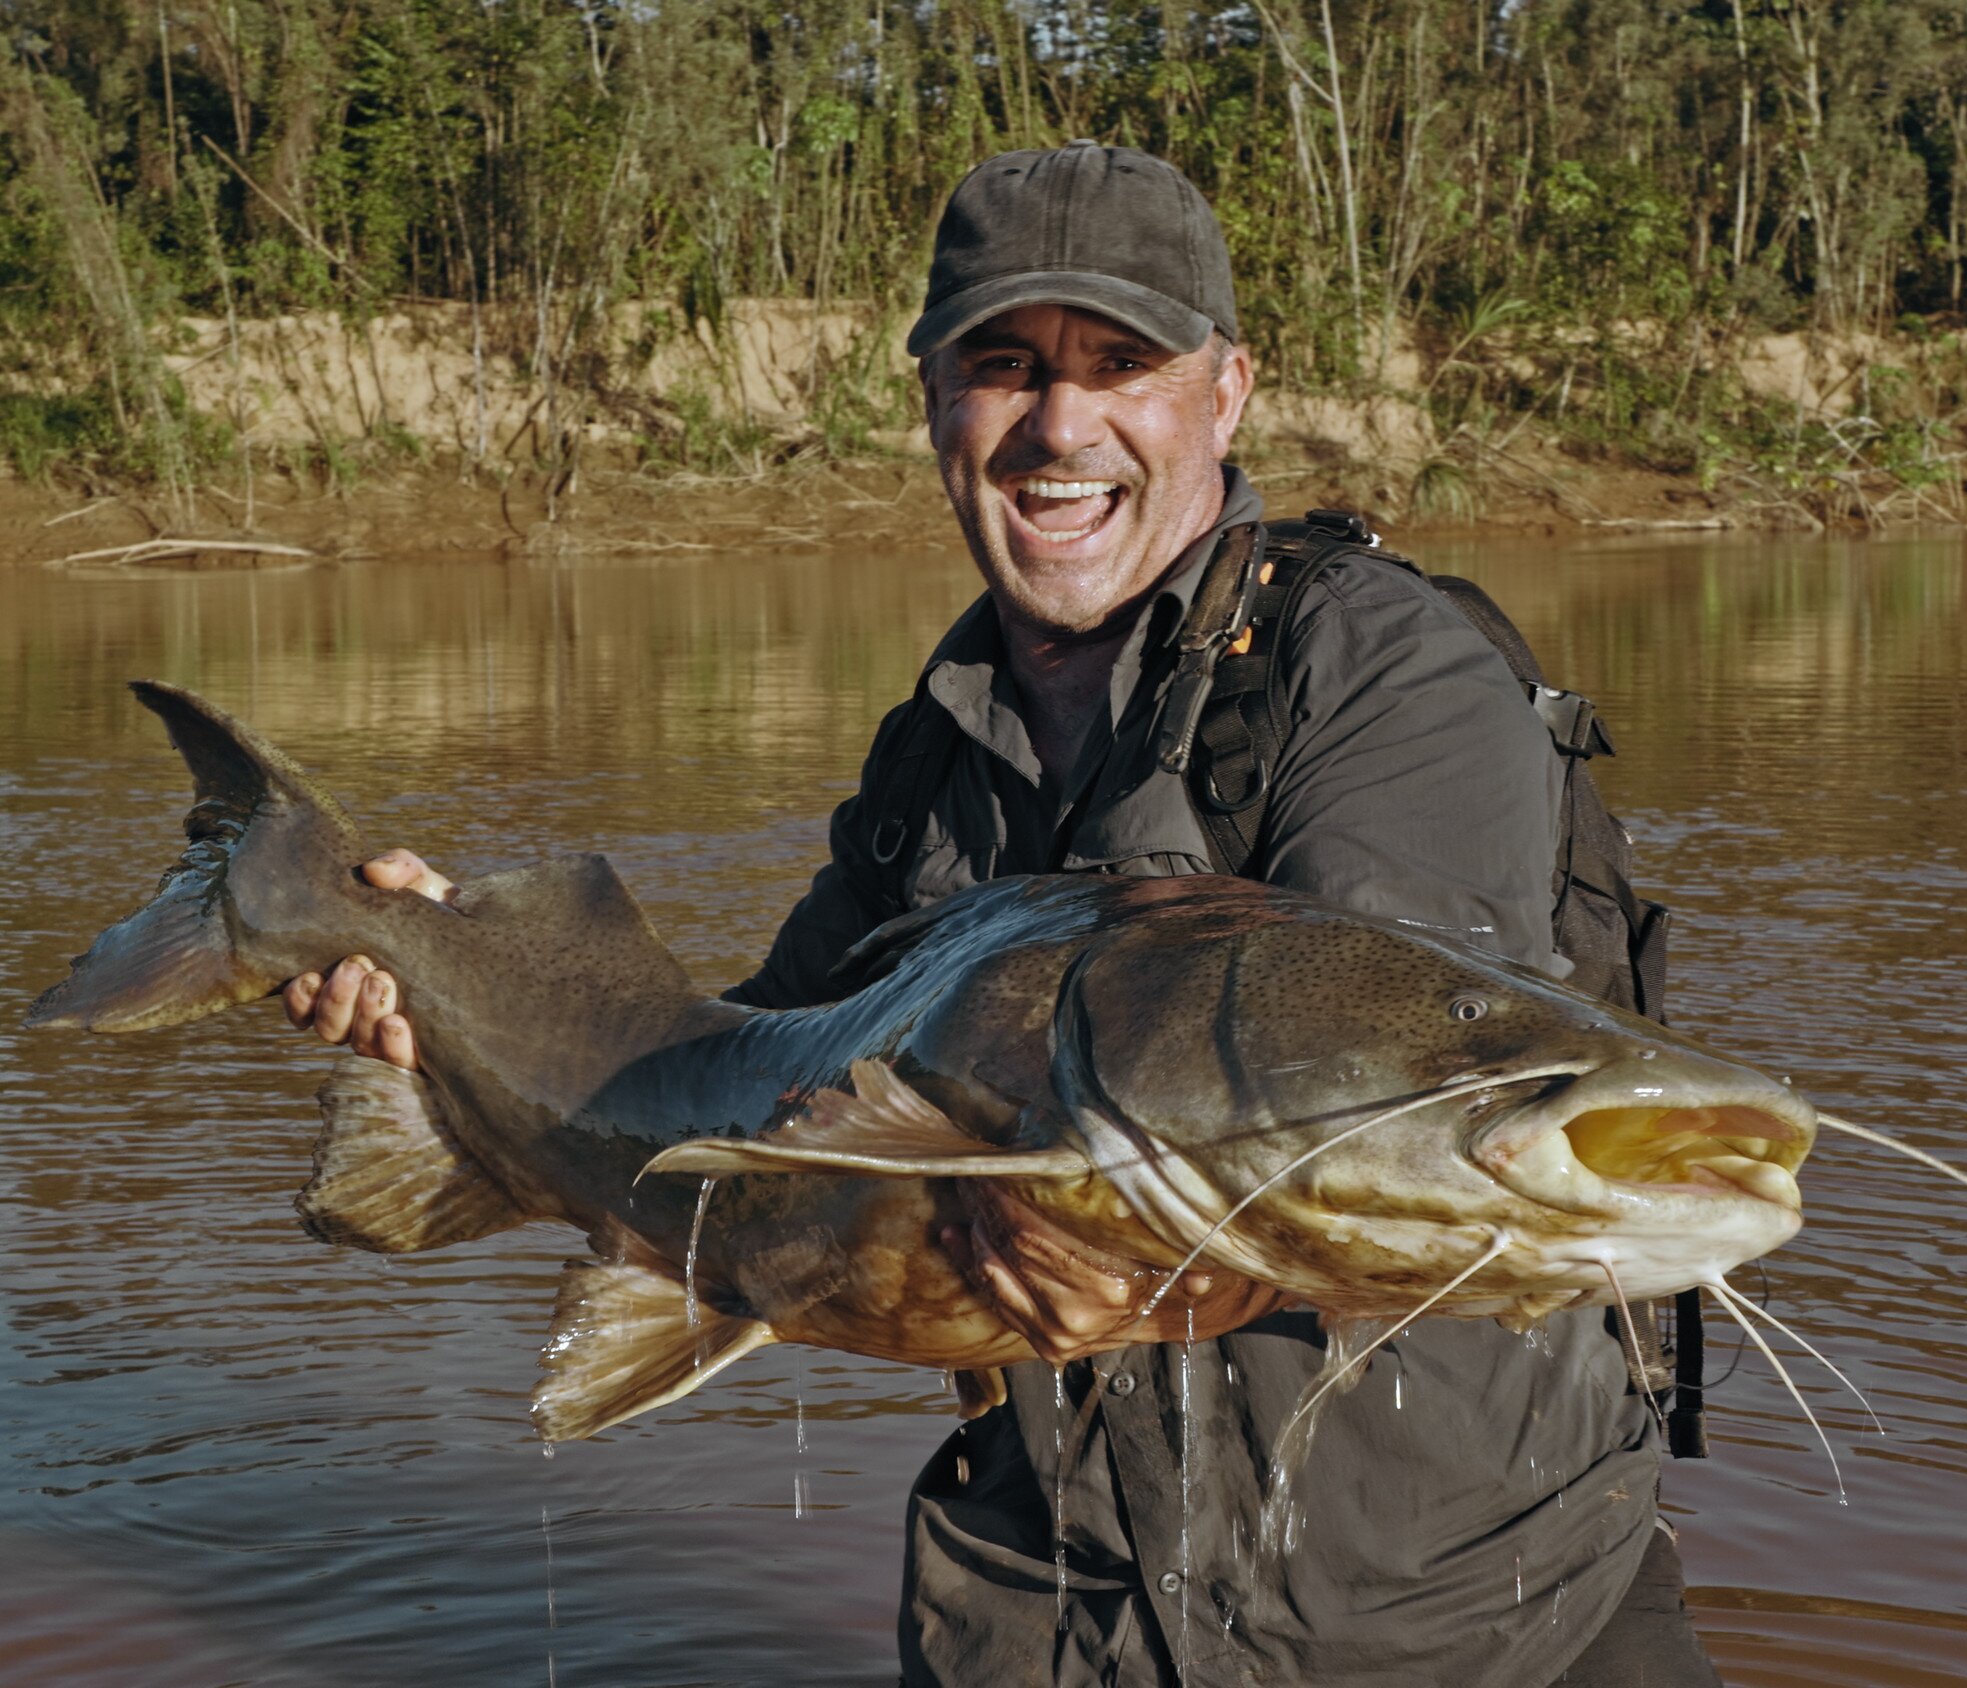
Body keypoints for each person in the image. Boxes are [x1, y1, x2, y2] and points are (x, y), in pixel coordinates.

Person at [286, 144, 1721, 1687]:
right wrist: (450, 988)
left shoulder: (1383, 669)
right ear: (935, 407)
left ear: (1227, 392)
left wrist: (1074, 1198)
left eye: (1123, 363)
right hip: (1045, 1623)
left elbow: (1390, 1093)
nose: (1060, 424)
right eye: (1003, 365)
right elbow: (742, 1105)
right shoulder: (928, 761)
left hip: (1467, 1628)